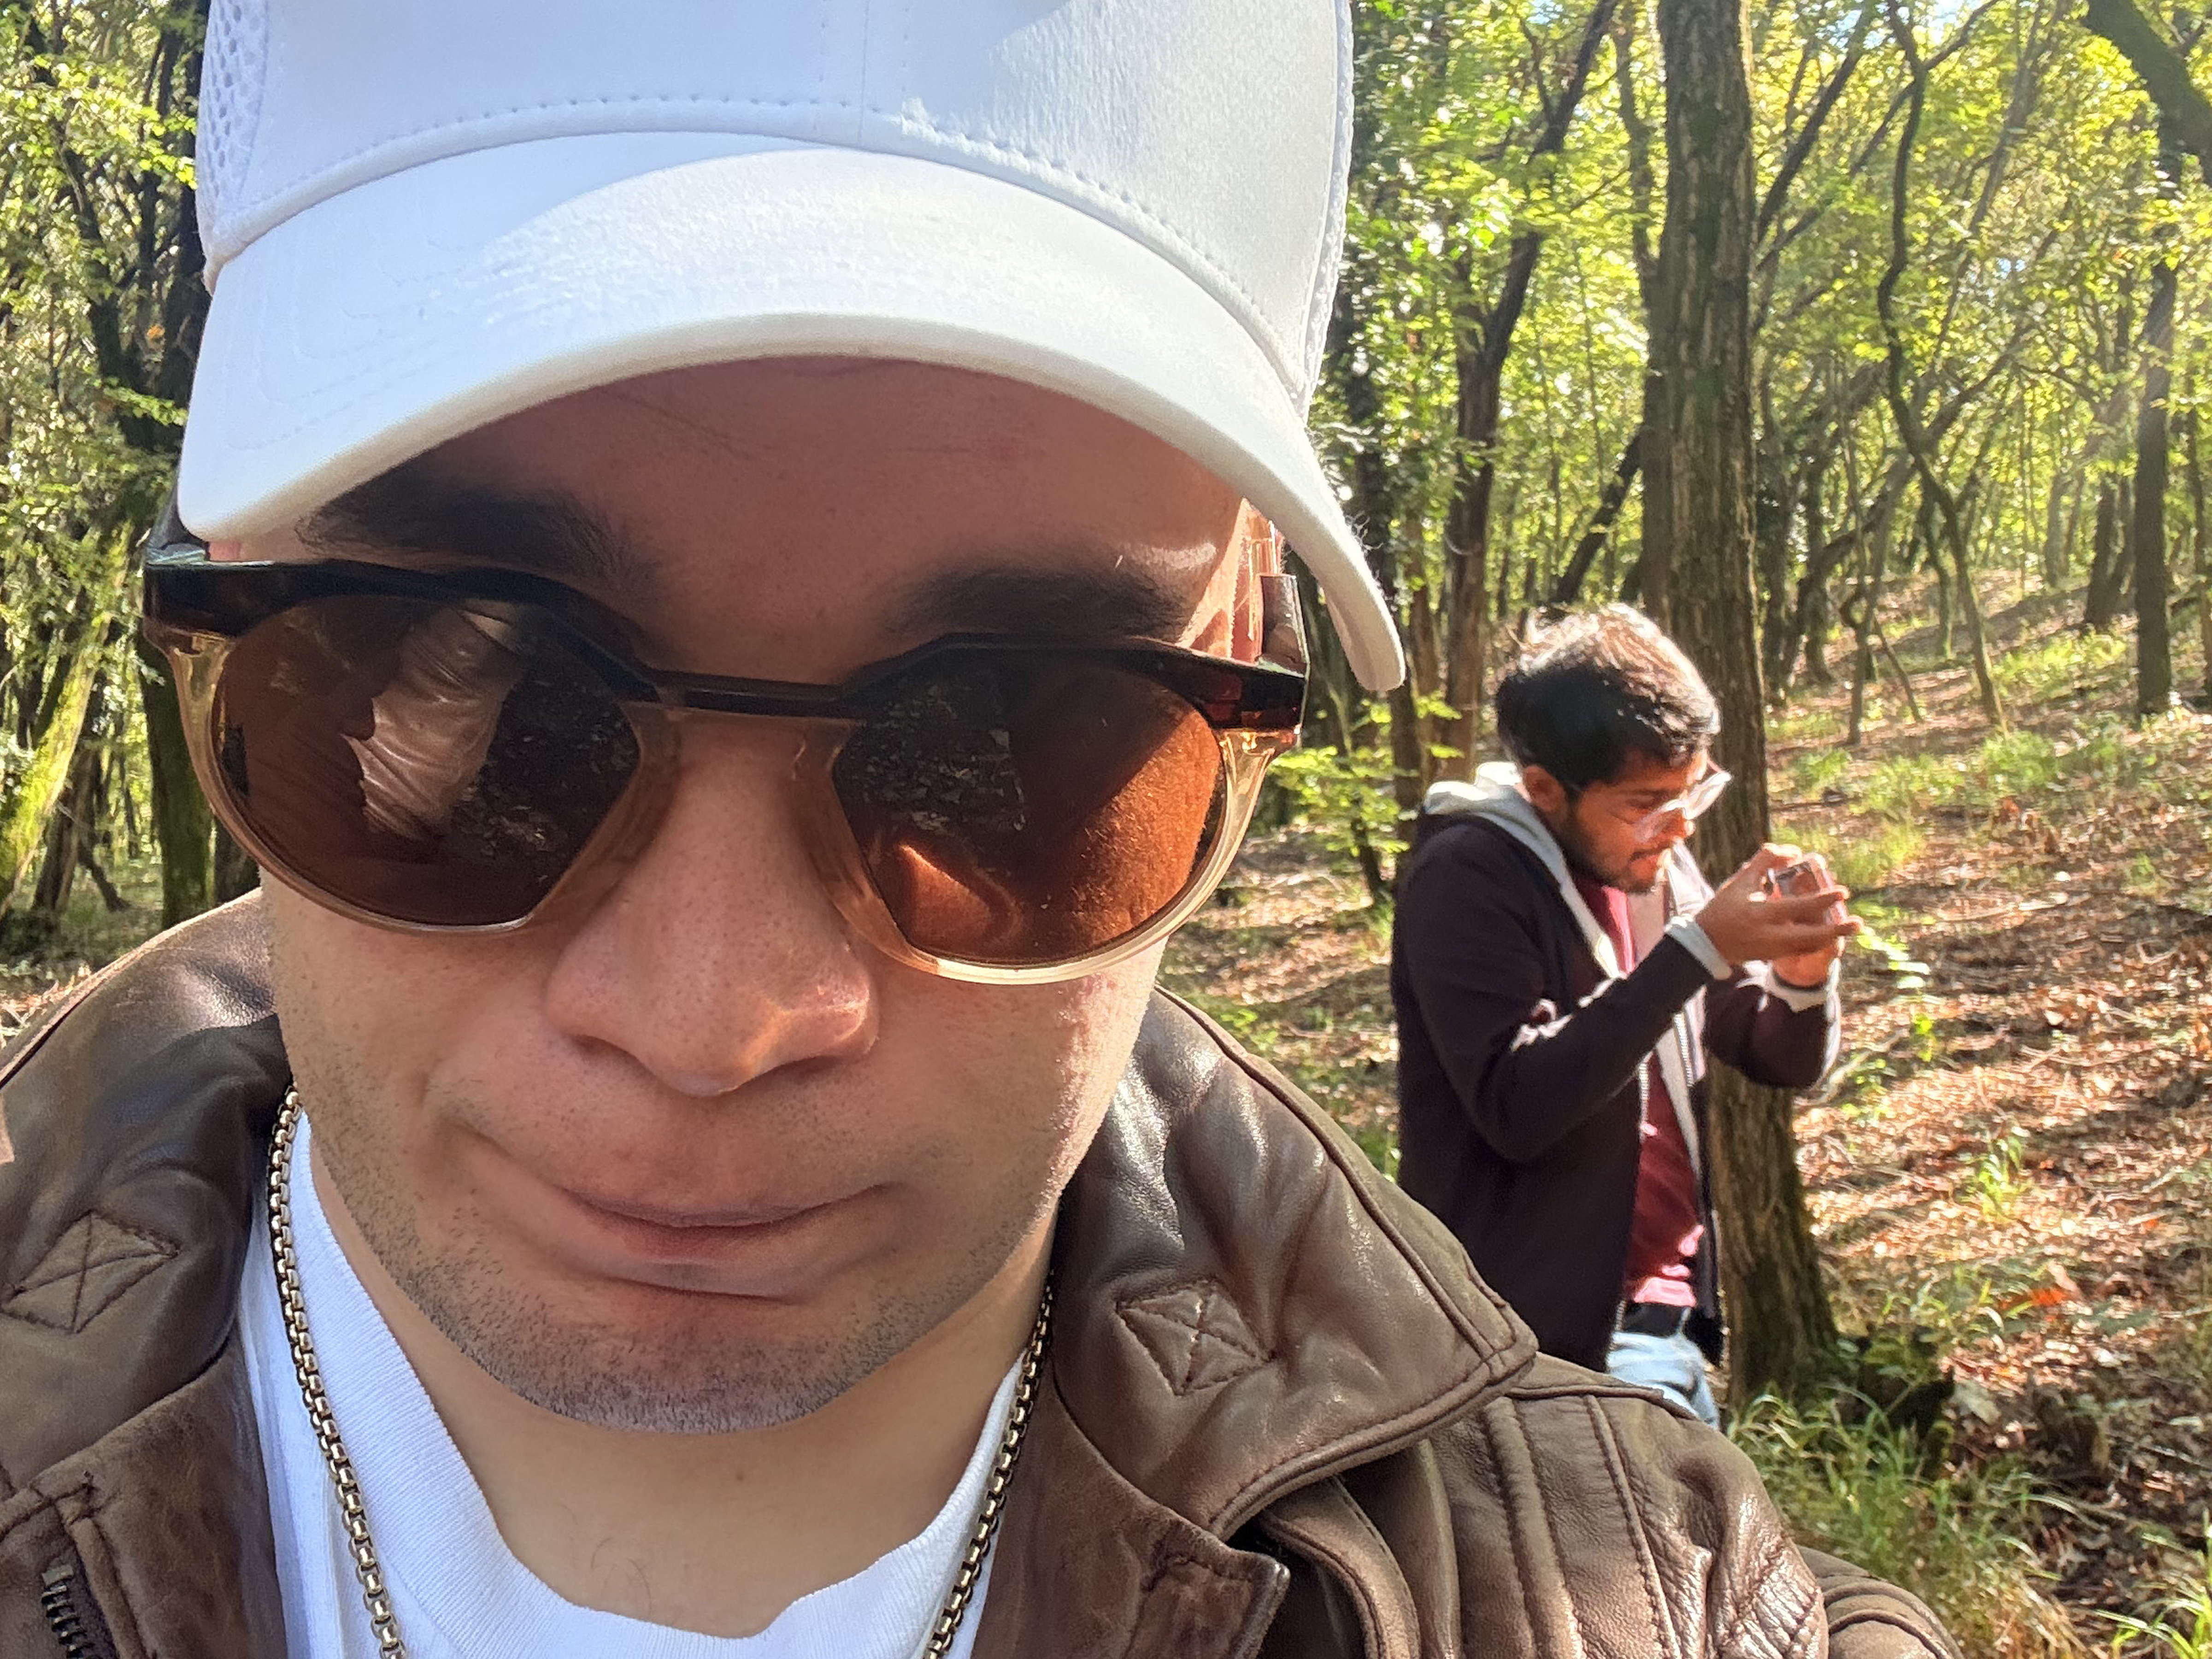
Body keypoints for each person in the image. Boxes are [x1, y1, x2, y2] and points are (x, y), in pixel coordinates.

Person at [0, 4, 1952, 1656]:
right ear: (211, 617)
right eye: (469, 686)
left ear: (1252, 678)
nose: (714, 1018)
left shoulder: (1647, 1601)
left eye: (1014, 738)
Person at [1391, 607, 1857, 1427]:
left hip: (1661, 1320)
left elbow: (1770, 1053)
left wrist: (1802, 979)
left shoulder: (1650, 861)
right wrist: (1697, 949)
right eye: (1647, 803)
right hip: (1534, 1341)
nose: (1679, 826)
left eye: (1693, 792)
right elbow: (1515, 1103)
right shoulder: (1468, 874)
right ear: (1546, 789)